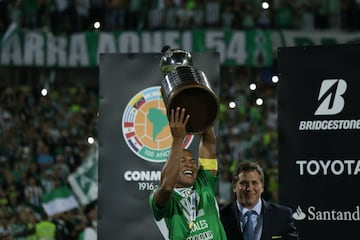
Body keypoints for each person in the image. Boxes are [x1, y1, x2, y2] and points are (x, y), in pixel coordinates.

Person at [149, 107, 227, 240]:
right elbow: (167, 187)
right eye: (182, 161)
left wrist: (200, 107)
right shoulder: (163, 199)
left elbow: (208, 142)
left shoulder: (204, 182)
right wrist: (178, 140)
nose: (189, 164)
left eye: (192, 161)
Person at [220, 161, 300, 240]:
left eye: (254, 183)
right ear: (234, 187)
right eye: (244, 183)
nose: (249, 188)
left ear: (262, 187)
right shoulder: (220, 217)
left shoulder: (283, 216)